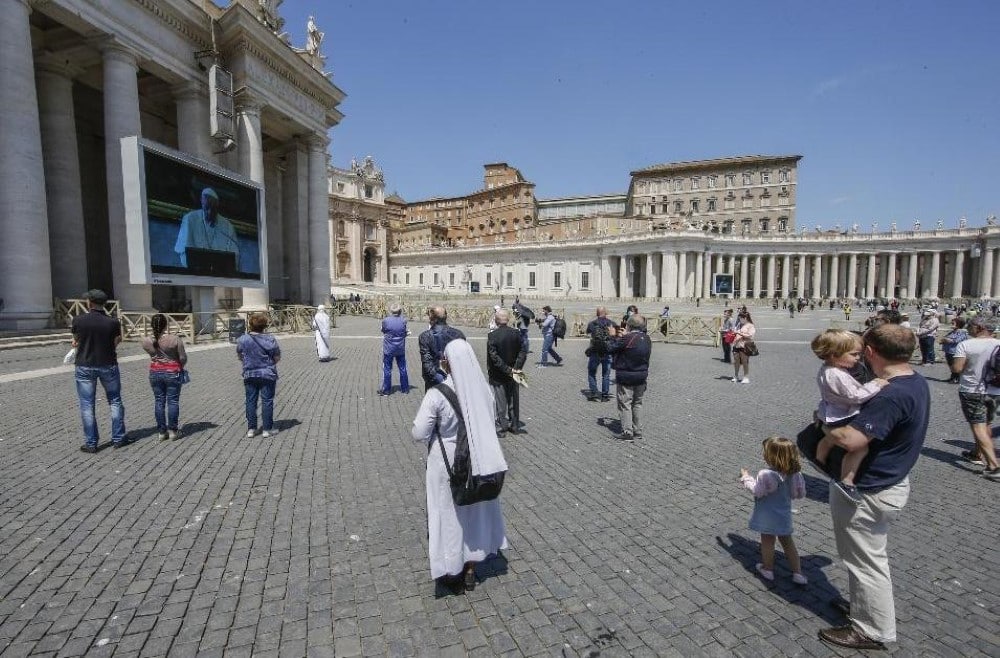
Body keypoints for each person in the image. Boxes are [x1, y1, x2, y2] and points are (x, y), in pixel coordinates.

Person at [818, 323, 929, 650]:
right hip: (890, 478)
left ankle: (872, 629)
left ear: (870, 352)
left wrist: (822, 425)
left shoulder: (890, 394)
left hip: (870, 488)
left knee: (866, 562)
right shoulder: (914, 382)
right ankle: (863, 608)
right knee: (862, 558)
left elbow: (851, 440)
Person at [411, 339, 508, 592]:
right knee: (474, 514)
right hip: (477, 459)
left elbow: (419, 433)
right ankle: (471, 567)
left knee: (449, 515)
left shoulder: (437, 394)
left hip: (447, 462)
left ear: (447, 362)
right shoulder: (483, 391)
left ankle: (452, 568)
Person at [810, 330, 888, 503]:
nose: (858, 358)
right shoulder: (836, 374)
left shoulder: (829, 369)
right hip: (841, 414)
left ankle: (819, 458)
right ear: (834, 354)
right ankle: (847, 480)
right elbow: (856, 395)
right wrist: (876, 384)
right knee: (861, 448)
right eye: (853, 354)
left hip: (830, 412)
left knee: (828, 438)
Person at [738, 437, 808, 585]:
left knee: (767, 541)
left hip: (767, 516)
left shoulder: (766, 474)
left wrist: (746, 478)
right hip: (784, 515)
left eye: (765, 452)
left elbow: (758, 491)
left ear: (772, 456)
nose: (763, 454)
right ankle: (798, 573)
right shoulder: (795, 474)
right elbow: (799, 494)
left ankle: (767, 569)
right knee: (788, 542)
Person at [72, 289, 127, 452]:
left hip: (84, 364)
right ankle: (118, 438)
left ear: (89, 303)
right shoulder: (113, 322)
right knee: (115, 400)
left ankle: (91, 443)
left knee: (87, 404)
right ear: (104, 303)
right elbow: (117, 340)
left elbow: (76, 340)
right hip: (108, 363)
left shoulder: (78, 320)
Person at [949, 316, 1000, 478]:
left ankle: (994, 466)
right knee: (986, 424)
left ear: (979, 327)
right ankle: (977, 453)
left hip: (972, 389)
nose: (968, 328)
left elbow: (957, 368)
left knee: (978, 425)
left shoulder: (966, 345)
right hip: (995, 391)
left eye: (970, 325)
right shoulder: (998, 344)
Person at [141, 313, 188, 441]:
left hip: (155, 372)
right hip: (172, 372)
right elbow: (183, 357)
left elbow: (152, 353)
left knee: (159, 401)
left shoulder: (145, 341)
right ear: (166, 325)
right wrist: (179, 366)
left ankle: (162, 432)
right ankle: (173, 430)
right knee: (172, 401)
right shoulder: (174, 339)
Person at [605, 314, 652, 441]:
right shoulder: (646, 338)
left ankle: (627, 431)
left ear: (628, 325)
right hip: (642, 375)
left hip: (627, 374)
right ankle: (638, 430)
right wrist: (625, 336)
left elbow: (610, 348)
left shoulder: (627, 338)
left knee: (625, 404)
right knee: (637, 404)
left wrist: (612, 336)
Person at [236, 312, 281, 438]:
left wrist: (248, 362)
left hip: (249, 373)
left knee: (250, 401)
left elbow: (240, 355)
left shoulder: (243, 339)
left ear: (250, 325)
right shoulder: (270, 339)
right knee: (267, 401)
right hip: (267, 373)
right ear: (264, 326)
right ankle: (267, 429)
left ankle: (251, 429)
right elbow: (277, 357)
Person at [173, 188, 240, 268]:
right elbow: (184, 252)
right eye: (207, 208)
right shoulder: (190, 219)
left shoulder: (228, 227)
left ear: (217, 207)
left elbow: (235, 258)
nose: (210, 212)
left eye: (213, 209)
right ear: (202, 201)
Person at [486, 309, 527, 435]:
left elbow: (494, 357)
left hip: (499, 374)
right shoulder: (517, 333)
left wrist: (507, 369)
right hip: (515, 372)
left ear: (496, 320)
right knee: (514, 400)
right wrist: (516, 367)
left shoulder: (492, 336)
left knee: (501, 401)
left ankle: (501, 427)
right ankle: (514, 425)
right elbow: (523, 351)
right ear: (508, 319)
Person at [418, 306, 466, 390]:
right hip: (455, 380)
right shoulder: (459, 334)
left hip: (434, 382)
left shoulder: (425, 336)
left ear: (431, 318)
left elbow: (427, 364)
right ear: (446, 317)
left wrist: (441, 380)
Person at [379, 303, 410, 395]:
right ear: (400, 311)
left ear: (391, 311)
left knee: (387, 369)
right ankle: (405, 389)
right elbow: (403, 332)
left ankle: (386, 390)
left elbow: (384, 330)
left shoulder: (386, 320)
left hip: (389, 348)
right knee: (402, 368)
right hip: (400, 348)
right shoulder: (403, 320)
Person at [585, 306, 615, 401]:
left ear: (597, 313)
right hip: (607, 351)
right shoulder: (611, 323)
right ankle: (605, 395)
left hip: (595, 351)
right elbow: (616, 334)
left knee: (591, 372)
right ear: (606, 313)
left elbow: (588, 332)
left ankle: (594, 393)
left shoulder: (592, 323)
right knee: (606, 374)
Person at [940, 316, 969, 383]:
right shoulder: (952, 332)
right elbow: (944, 338)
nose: (951, 325)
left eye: (953, 323)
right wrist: (944, 340)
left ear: (958, 324)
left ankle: (956, 378)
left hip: (955, 352)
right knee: (951, 365)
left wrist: (946, 340)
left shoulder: (962, 332)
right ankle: (952, 377)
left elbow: (955, 341)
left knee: (955, 365)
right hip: (949, 351)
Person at [731, 310, 756, 384]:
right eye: (739, 318)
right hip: (736, 345)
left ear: (745, 318)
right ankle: (736, 376)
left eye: (740, 318)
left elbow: (750, 336)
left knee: (745, 361)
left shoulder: (750, 325)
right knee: (736, 361)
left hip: (745, 345)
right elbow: (736, 332)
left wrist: (739, 332)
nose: (739, 320)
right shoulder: (739, 324)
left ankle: (746, 377)